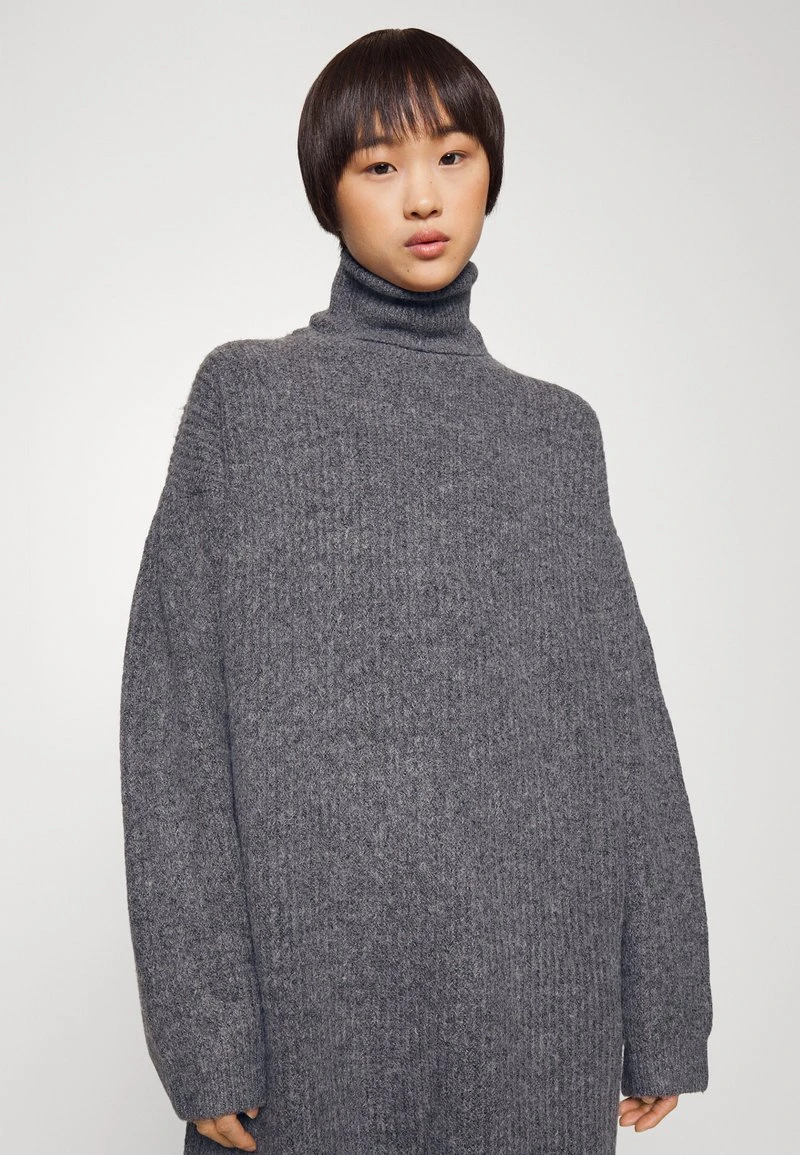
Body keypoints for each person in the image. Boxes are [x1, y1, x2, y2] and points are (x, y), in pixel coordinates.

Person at [119, 27, 713, 1155]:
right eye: (379, 165)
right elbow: (172, 730)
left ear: (491, 171)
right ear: (328, 192)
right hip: (313, 1003)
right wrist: (203, 1033)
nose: (423, 197)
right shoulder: (247, 402)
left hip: (537, 994)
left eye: (451, 156)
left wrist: (662, 1004)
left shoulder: (555, 435)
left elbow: (624, 725)